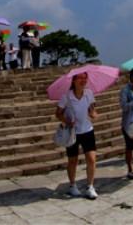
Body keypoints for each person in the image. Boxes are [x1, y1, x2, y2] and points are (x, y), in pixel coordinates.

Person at [56, 71, 99, 199]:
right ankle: (72, 185)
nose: (83, 81)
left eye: (85, 78)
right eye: (80, 78)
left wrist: (93, 114)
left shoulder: (89, 94)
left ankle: (90, 186)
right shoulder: (66, 96)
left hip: (87, 130)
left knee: (91, 159)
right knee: (73, 160)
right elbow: (58, 113)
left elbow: (92, 109)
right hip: (73, 132)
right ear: (74, 81)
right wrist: (67, 121)